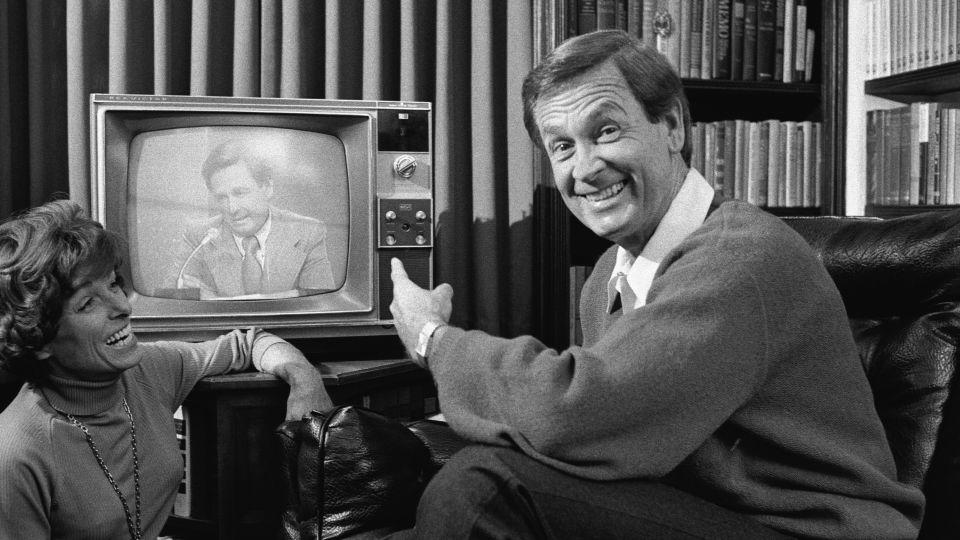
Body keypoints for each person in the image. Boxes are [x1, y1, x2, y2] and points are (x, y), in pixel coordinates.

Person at [388, 30, 924, 538]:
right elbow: (605, 443)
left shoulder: (741, 257)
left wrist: (432, 340)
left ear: (671, 127)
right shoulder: (607, 276)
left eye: (606, 131)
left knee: (486, 489)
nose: (587, 168)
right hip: (707, 510)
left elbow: (579, 412)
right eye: (562, 148)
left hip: (806, 529)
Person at [0, 200, 335, 539]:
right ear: (39, 338)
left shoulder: (150, 368)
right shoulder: (14, 454)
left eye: (113, 283)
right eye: (88, 303)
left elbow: (248, 344)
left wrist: (304, 380)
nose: (121, 306)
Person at [170, 139, 335, 299]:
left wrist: (216, 302)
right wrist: (294, 294)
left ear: (267, 187)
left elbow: (321, 298)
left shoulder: (308, 231)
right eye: (221, 197)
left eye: (240, 193)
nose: (232, 208)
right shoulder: (198, 235)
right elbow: (170, 297)